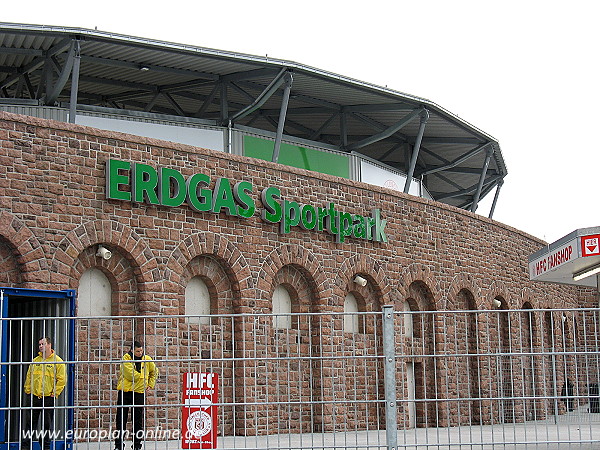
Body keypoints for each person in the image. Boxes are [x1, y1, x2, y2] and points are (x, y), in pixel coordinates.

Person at [21, 336, 66, 450]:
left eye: (43, 344)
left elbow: (62, 380)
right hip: (34, 397)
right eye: (39, 344)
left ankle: (46, 446)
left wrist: (54, 393)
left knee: (47, 425)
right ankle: (25, 447)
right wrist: (28, 391)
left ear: (49, 345)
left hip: (48, 398)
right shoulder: (35, 361)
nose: (41, 346)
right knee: (30, 424)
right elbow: (29, 377)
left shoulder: (58, 361)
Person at [114, 341, 158, 450]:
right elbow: (130, 375)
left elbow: (154, 371)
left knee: (138, 420)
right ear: (132, 350)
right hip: (125, 392)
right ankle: (119, 445)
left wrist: (150, 384)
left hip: (139, 393)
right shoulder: (126, 359)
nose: (140, 353)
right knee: (121, 419)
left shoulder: (147, 359)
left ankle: (137, 445)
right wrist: (144, 377)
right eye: (137, 351)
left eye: (141, 351)